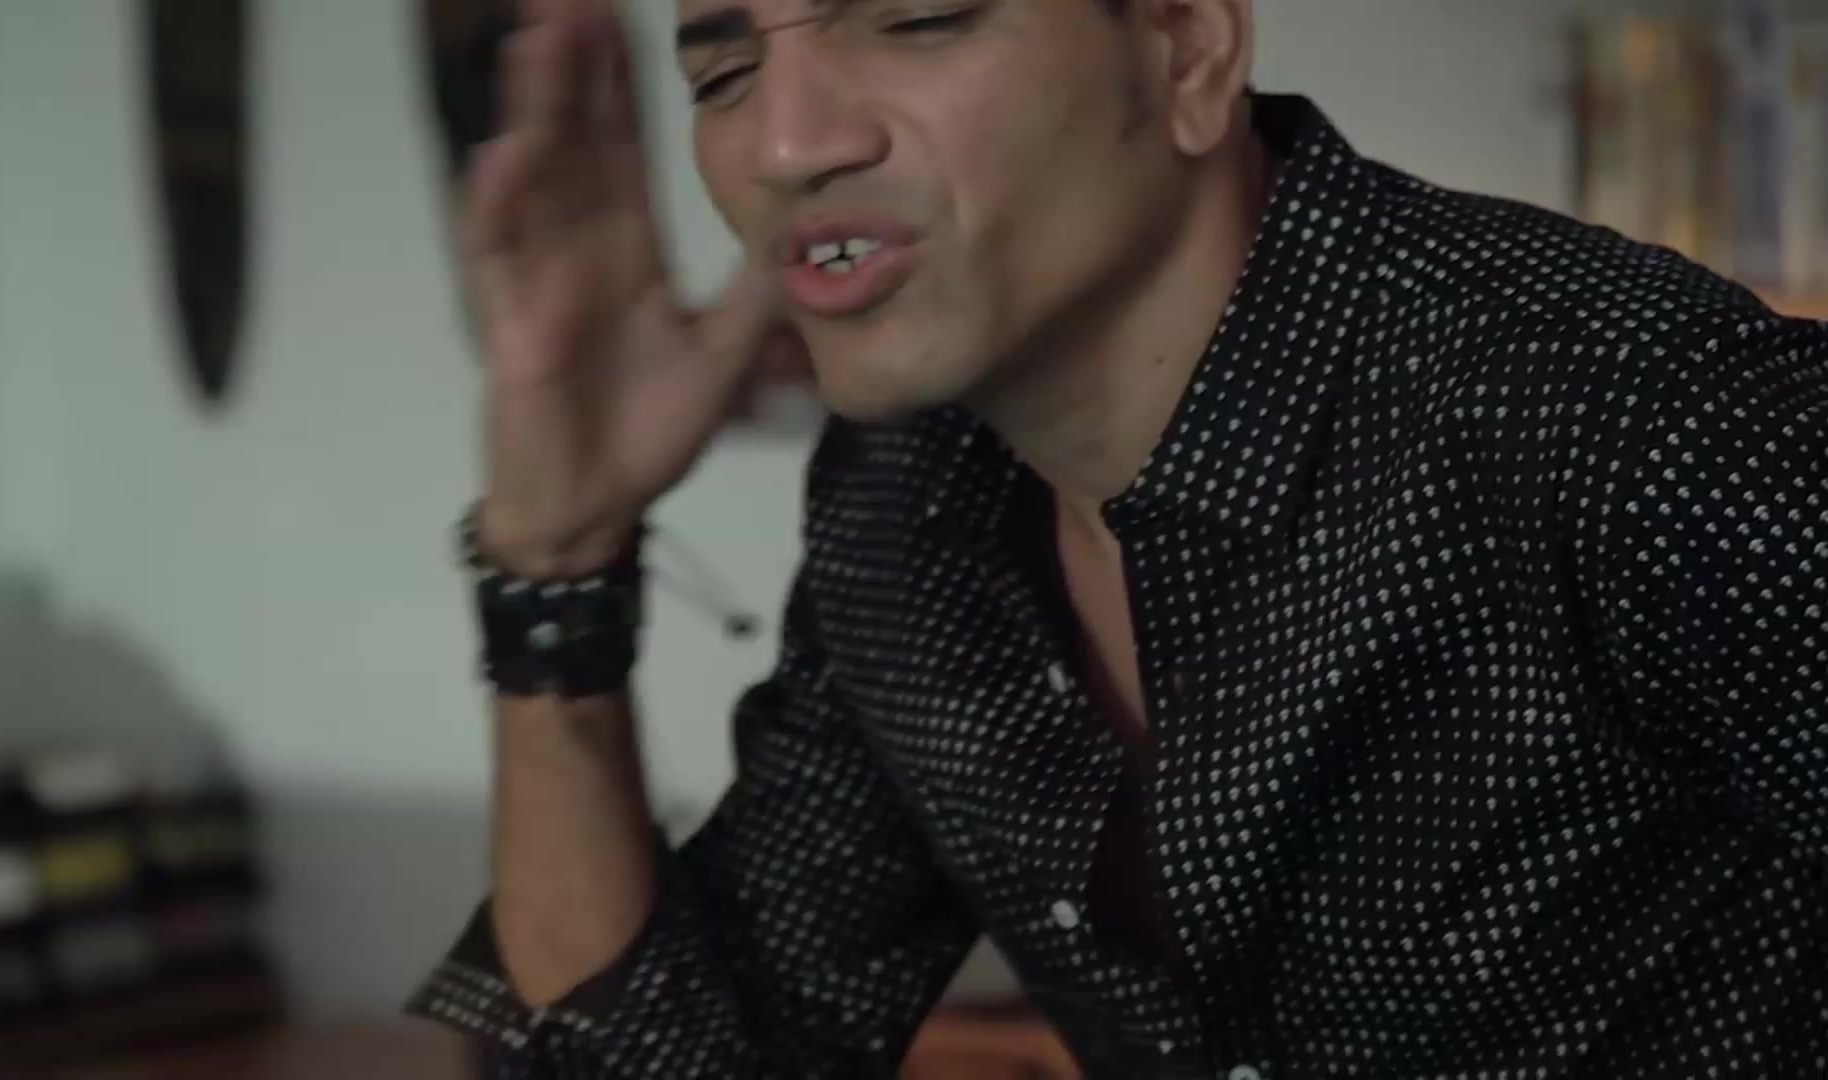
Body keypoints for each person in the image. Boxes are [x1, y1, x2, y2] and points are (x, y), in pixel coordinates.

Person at [407, 0, 1828, 1075]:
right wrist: (557, 562)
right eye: (723, 72)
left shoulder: (1637, 419)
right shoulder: (903, 503)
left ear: (1186, 48)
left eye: (918, 16)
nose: (785, 143)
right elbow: (686, 1052)